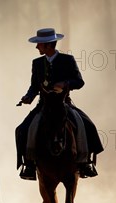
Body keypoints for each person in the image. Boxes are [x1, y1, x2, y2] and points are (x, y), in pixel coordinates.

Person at [16, 28, 103, 180]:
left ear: (48, 45)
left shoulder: (67, 60)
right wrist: (28, 97)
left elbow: (79, 81)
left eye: (39, 44)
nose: (37, 47)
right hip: (43, 105)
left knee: (88, 126)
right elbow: (34, 86)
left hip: (64, 104)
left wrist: (65, 84)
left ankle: (85, 163)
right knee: (22, 130)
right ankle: (29, 164)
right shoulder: (36, 63)